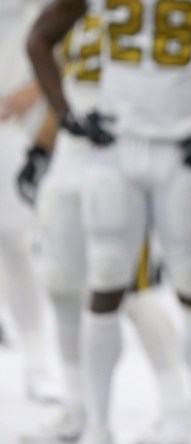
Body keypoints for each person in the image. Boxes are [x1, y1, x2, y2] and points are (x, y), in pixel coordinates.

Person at [26, 0, 191, 442]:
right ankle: (98, 426)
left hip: (180, 150)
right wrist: (66, 116)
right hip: (119, 148)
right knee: (104, 287)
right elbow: (39, 37)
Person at [20, 12, 191, 443]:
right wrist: (42, 148)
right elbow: (70, 88)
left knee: (129, 292)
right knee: (61, 285)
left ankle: (180, 405)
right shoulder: (69, 14)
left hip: (119, 159)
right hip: (71, 158)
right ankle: (78, 409)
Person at [0, 0, 60, 406]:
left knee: (12, 239)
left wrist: (37, 87)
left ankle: (38, 362)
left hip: (10, 123)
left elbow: (63, 38)